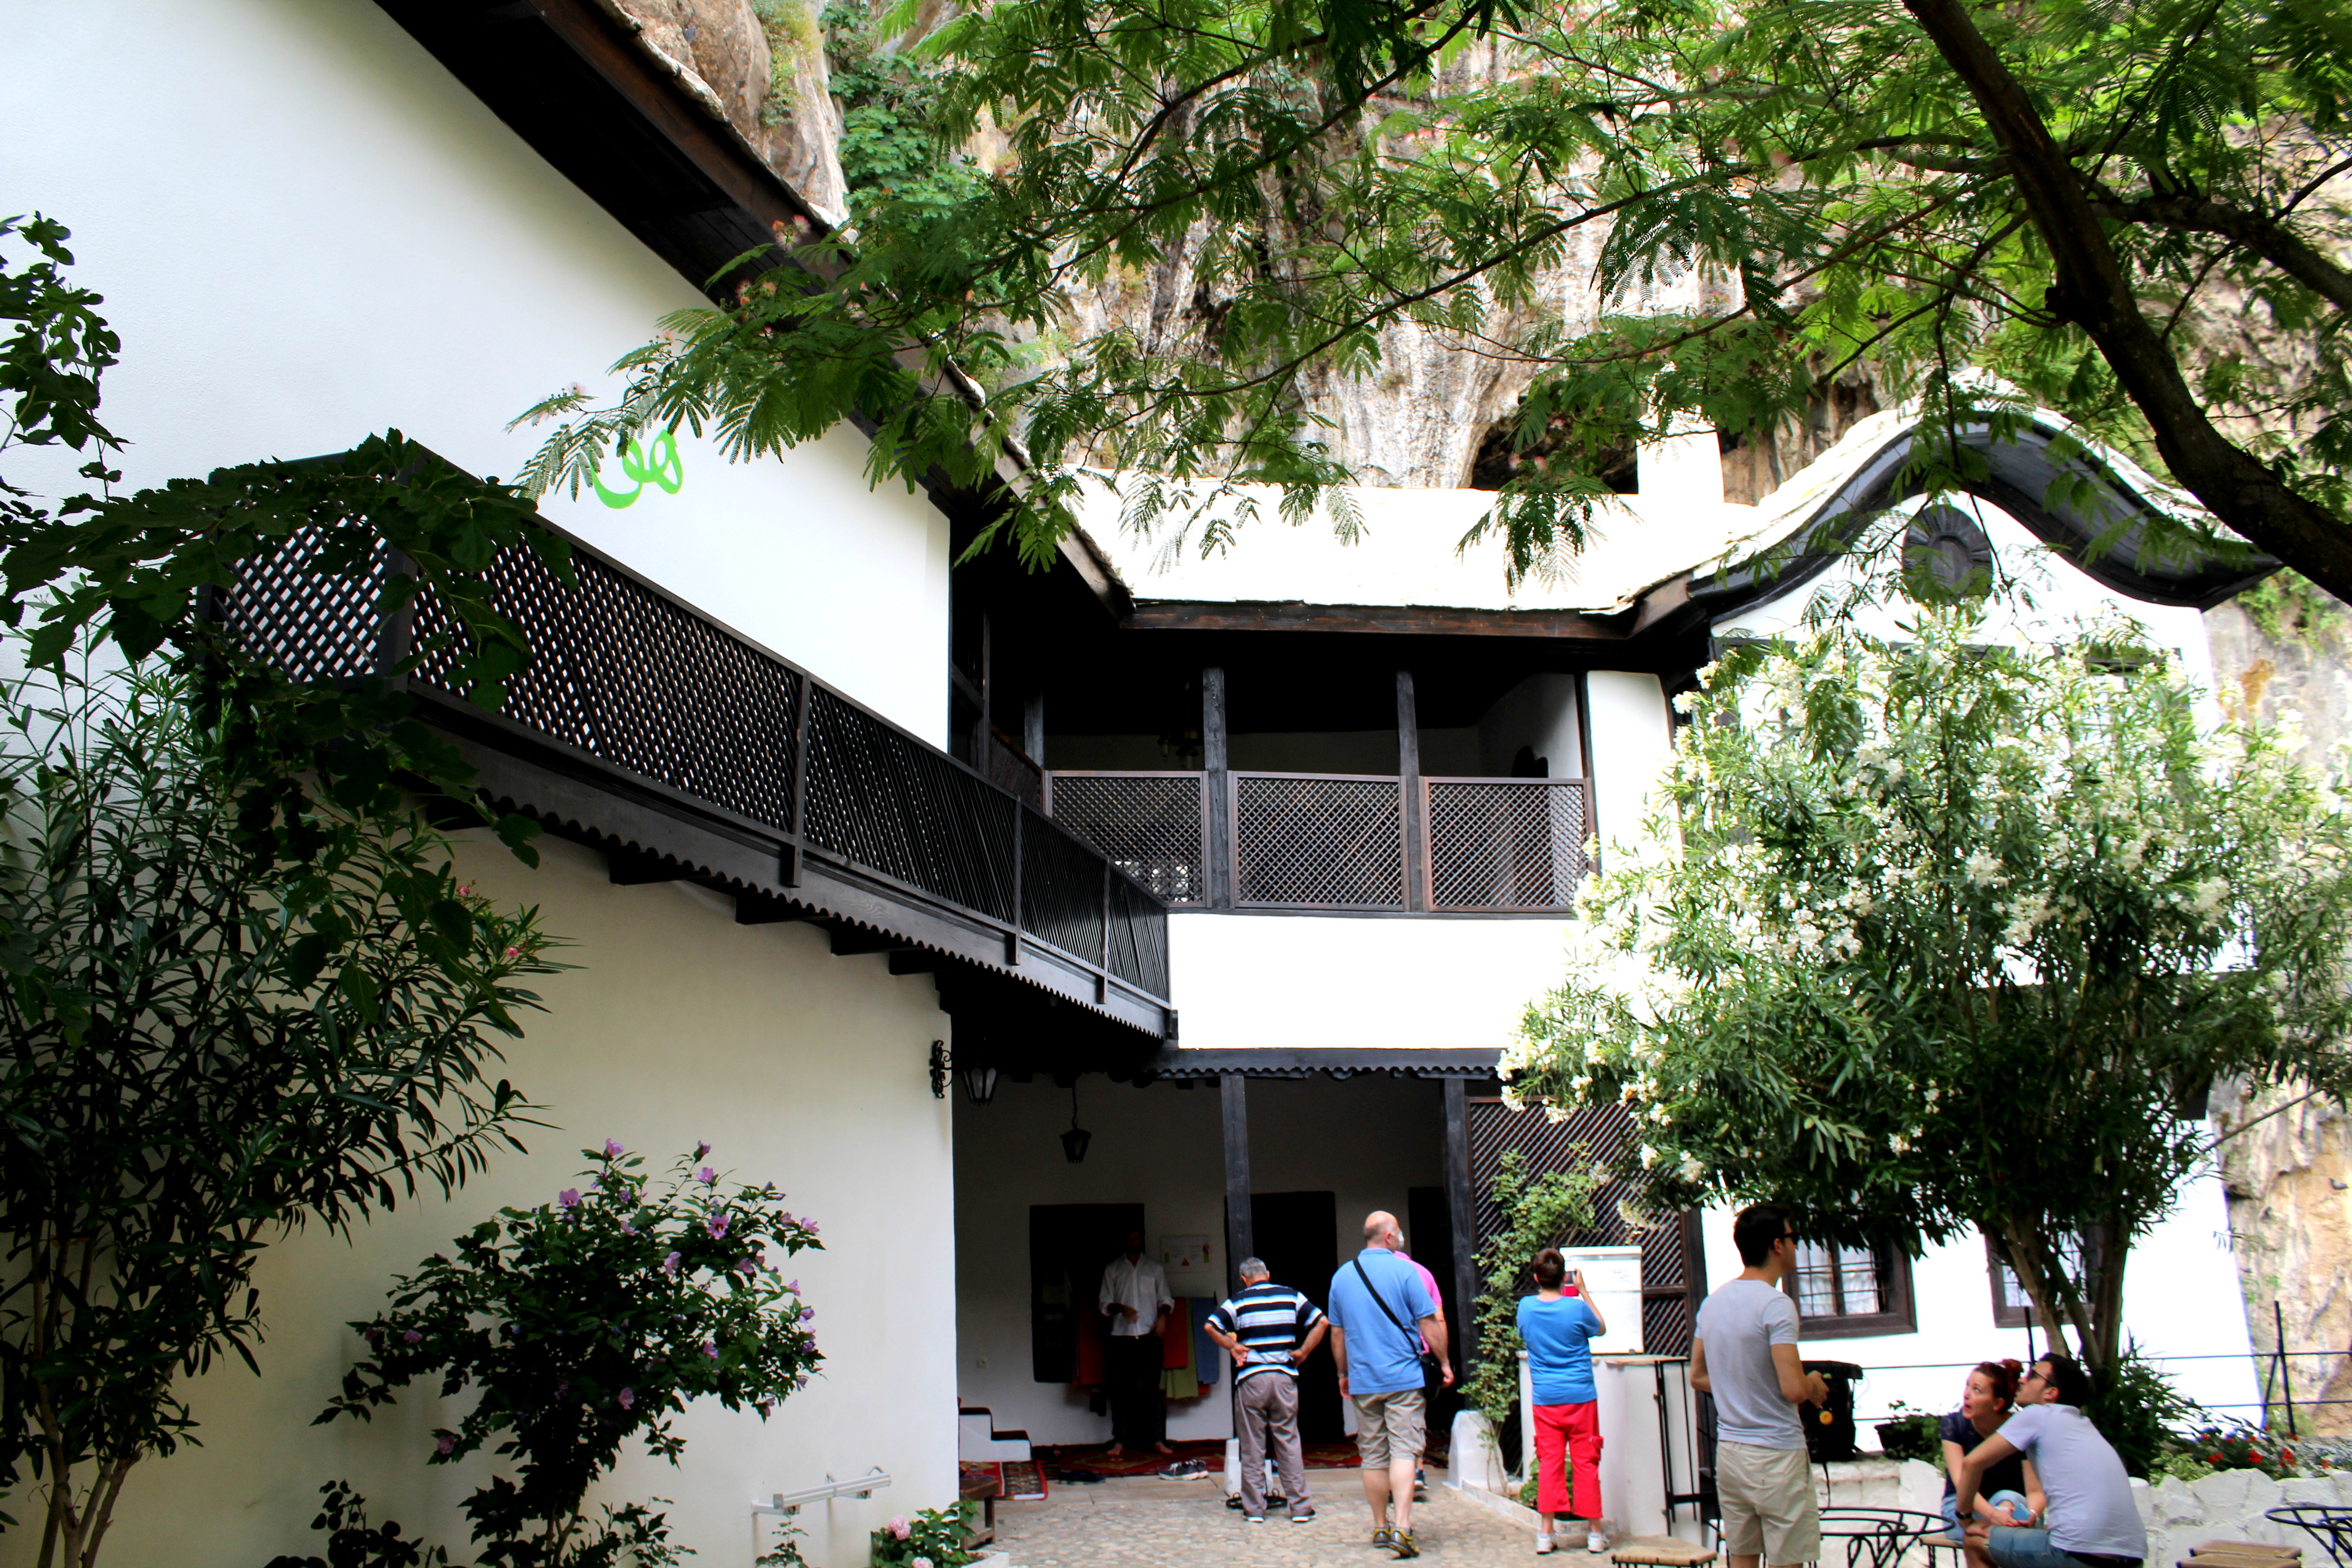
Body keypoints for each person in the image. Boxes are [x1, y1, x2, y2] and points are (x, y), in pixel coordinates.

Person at [1690, 1205, 1830, 1568]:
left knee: (1742, 1558)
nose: (1797, 1245)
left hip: (1731, 1453)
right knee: (1788, 1560)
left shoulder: (1713, 1303)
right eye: (1794, 1238)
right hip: (1777, 1453)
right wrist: (1813, 1383)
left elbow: (1698, 1376)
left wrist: (1739, 1386)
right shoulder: (1776, 1305)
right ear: (1777, 1245)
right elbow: (1794, 1390)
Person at [1329, 1210, 1453, 1560]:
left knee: (1372, 1455)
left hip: (1364, 1379)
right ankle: (1403, 1527)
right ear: (1388, 1237)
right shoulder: (1406, 1272)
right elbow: (1428, 1322)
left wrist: (1343, 1374)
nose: (1401, 1238)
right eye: (1398, 1233)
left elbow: (1337, 1334)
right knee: (1404, 1451)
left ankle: (1380, 1526)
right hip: (1404, 1378)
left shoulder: (1342, 1276)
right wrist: (1444, 1362)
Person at [1954, 1354, 2148, 1568]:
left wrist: (1966, 1520)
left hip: (2078, 1555)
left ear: (2051, 1393)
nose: (2022, 1380)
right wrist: (2033, 1515)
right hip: (2132, 1559)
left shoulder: (2038, 1415)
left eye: (2033, 1376)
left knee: (1975, 1541)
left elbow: (1972, 1463)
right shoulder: (2084, 1427)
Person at [1205, 1256, 1329, 1524]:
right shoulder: (1291, 1296)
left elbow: (1211, 1326)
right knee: (1288, 1441)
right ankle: (1301, 1508)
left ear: (1244, 1280)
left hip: (1252, 1380)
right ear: (1268, 1274)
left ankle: (1254, 1509)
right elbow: (1322, 1322)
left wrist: (1233, 1346)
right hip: (1284, 1378)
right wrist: (1303, 1352)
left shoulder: (1238, 1301)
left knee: (1252, 1445)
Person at [1519, 1248, 1609, 1555]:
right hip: (1581, 1396)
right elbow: (1601, 1328)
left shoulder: (1526, 1308)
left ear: (1536, 1277)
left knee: (1549, 1462)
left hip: (1546, 1397)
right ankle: (1595, 1533)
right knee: (1587, 1461)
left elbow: (1524, 1334)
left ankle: (1546, 1533)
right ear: (1565, 1278)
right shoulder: (1576, 1308)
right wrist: (1583, 1291)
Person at [1940, 1360, 2045, 1545]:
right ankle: (2005, 1535)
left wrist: (2033, 1515)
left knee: (2009, 1499)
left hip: (2012, 1508)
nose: (1966, 1395)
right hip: (1964, 1511)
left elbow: (2035, 1491)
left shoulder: (2021, 1428)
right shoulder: (1954, 1425)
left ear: (1998, 1403)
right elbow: (1962, 1484)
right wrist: (1994, 1515)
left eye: (1977, 1390)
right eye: (1967, 1386)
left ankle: (2004, 1533)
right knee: (2008, 1531)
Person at [1098, 1228, 1176, 1457]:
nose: (1133, 1242)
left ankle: (1158, 1440)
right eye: (1129, 1238)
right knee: (1122, 1392)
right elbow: (1104, 1304)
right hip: (1122, 1338)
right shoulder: (1113, 1269)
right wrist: (1122, 1308)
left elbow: (1166, 1299)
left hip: (1150, 1337)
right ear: (1124, 1240)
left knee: (1153, 1391)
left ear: (1142, 1239)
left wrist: (1163, 1317)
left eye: (1137, 1238)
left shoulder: (1154, 1268)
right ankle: (1120, 1440)